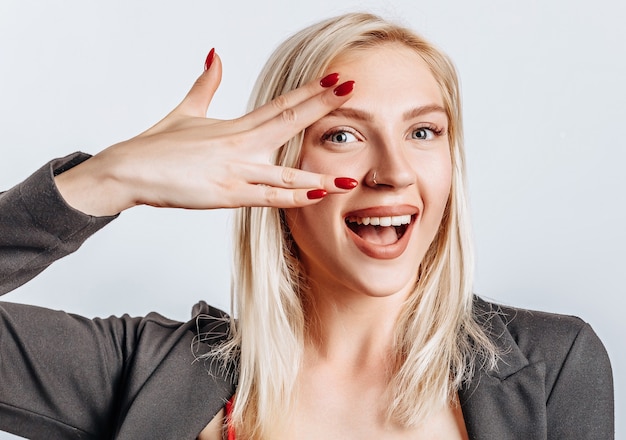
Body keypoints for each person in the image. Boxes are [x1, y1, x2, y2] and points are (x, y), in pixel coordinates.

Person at [0, 12, 613, 440]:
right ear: (278, 163)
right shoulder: (142, 370)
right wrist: (106, 181)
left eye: (422, 132)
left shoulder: (553, 366)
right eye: (342, 135)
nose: (393, 172)